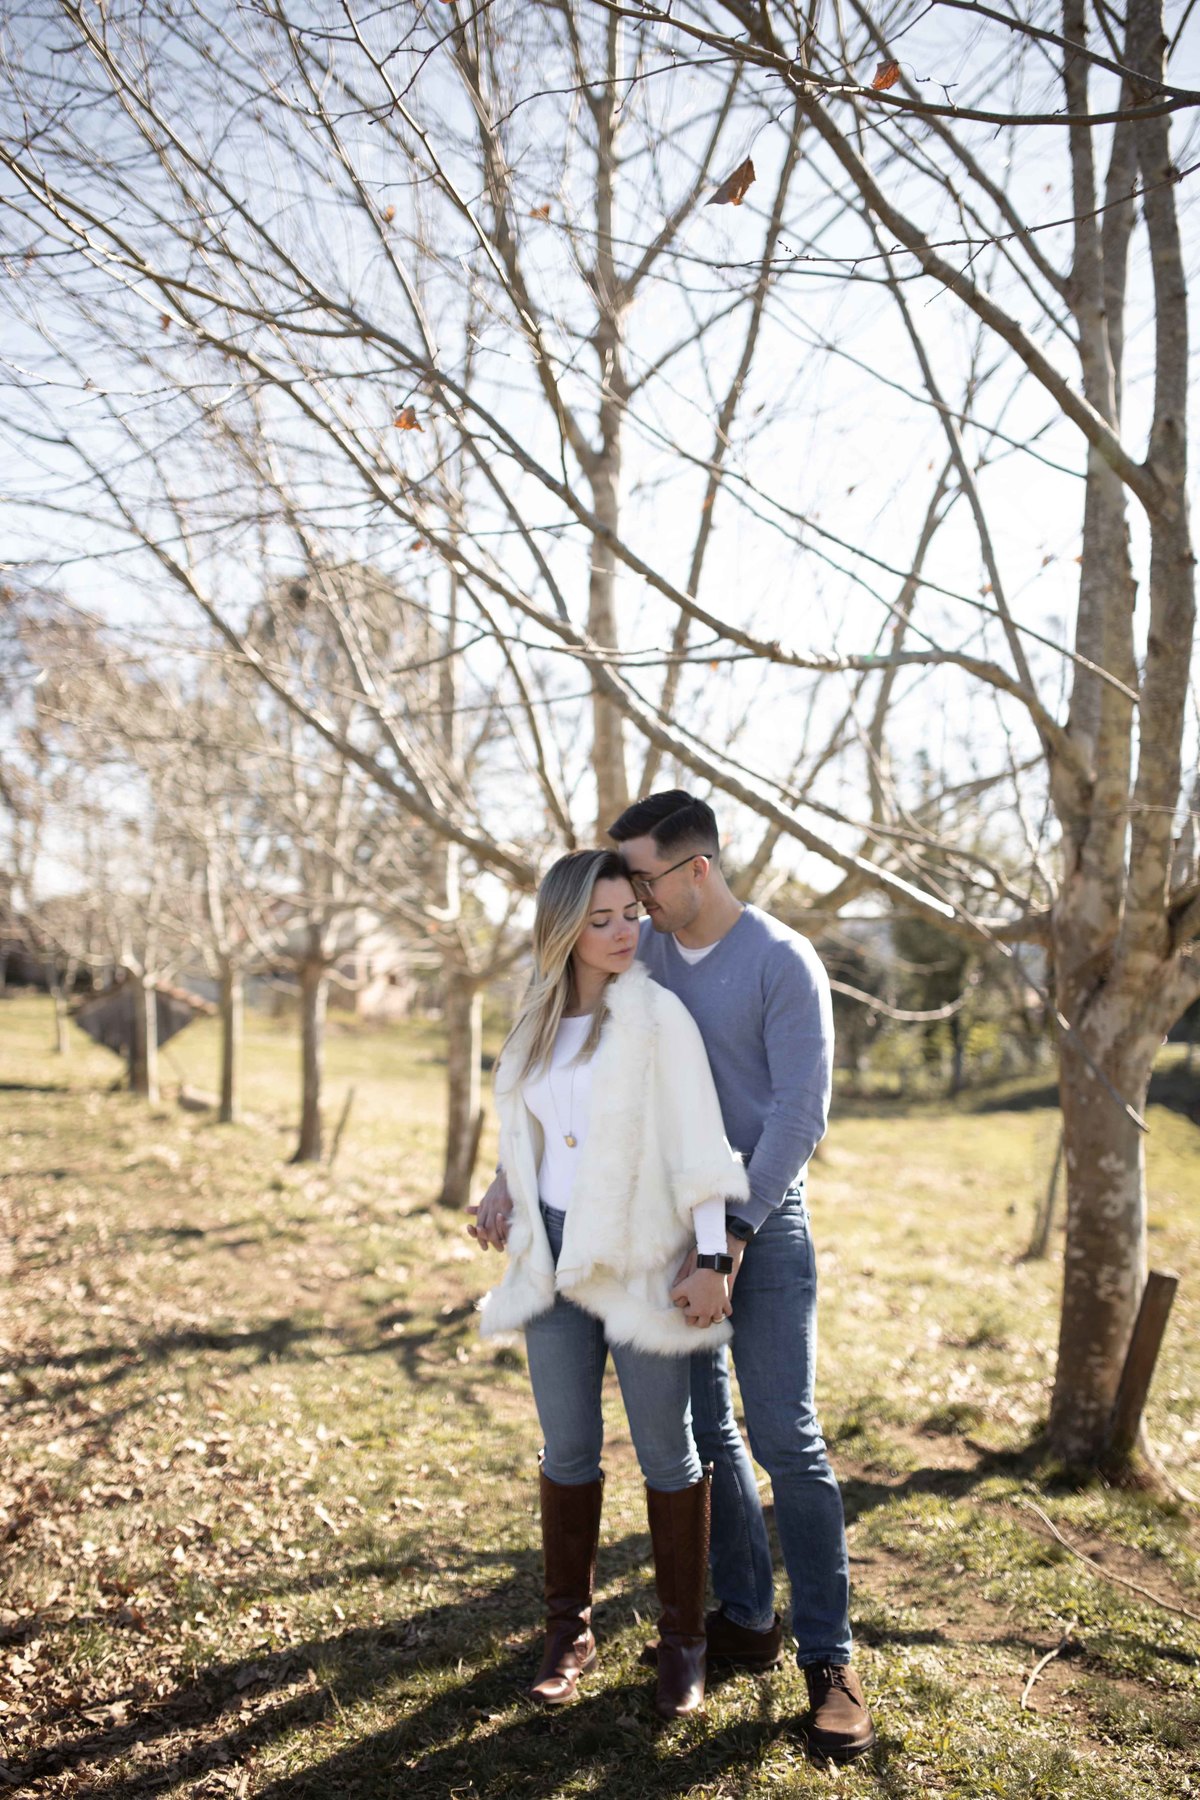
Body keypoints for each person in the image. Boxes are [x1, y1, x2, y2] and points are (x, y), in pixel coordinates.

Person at [474, 798, 876, 1764]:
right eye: (617, 895)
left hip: (759, 1224)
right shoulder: (638, 950)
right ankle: (741, 1615)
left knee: (787, 1433)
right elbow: (562, 1072)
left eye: (644, 882)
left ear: (697, 867)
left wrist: (726, 1244)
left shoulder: (782, 961)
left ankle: (831, 1661)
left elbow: (796, 1117)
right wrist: (509, 1176)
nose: (631, 904)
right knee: (703, 1430)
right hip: (659, 1231)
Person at [472, 848, 751, 1721]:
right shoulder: (536, 1016)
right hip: (550, 1258)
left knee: (669, 1452)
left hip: (638, 1255)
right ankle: (569, 1633)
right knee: (567, 1449)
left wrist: (710, 1261)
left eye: (630, 911)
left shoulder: (658, 1016)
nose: (624, 931)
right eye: (599, 920)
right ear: (562, 929)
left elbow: (699, 1142)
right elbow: (533, 1125)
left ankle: (682, 1645)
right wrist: (501, 1185)